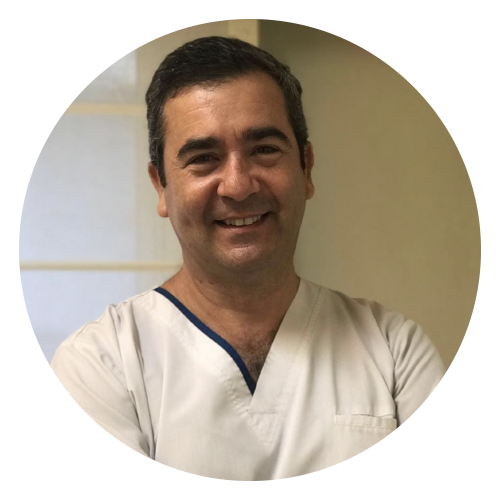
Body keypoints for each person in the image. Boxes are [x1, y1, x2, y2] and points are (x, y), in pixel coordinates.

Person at [50, 36, 446, 480]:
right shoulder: (102, 363)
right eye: (204, 158)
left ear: (306, 168)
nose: (238, 186)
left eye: (264, 150)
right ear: (161, 186)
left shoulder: (395, 352)